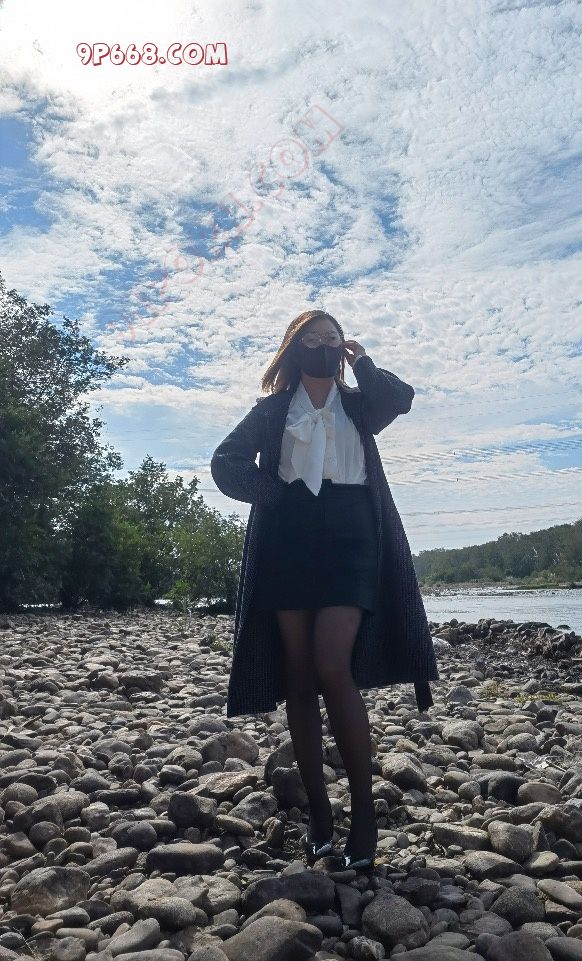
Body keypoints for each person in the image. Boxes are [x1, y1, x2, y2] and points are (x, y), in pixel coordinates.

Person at [210, 309, 439, 871]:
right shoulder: (272, 410)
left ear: (343, 348)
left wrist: (364, 363)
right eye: (311, 339)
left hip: (351, 535)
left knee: (332, 665)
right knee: (298, 673)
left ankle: (363, 815)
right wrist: (273, 494)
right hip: (288, 539)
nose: (322, 345)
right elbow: (225, 462)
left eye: (331, 339)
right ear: (293, 349)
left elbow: (400, 399)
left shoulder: (359, 404)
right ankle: (318, 813)